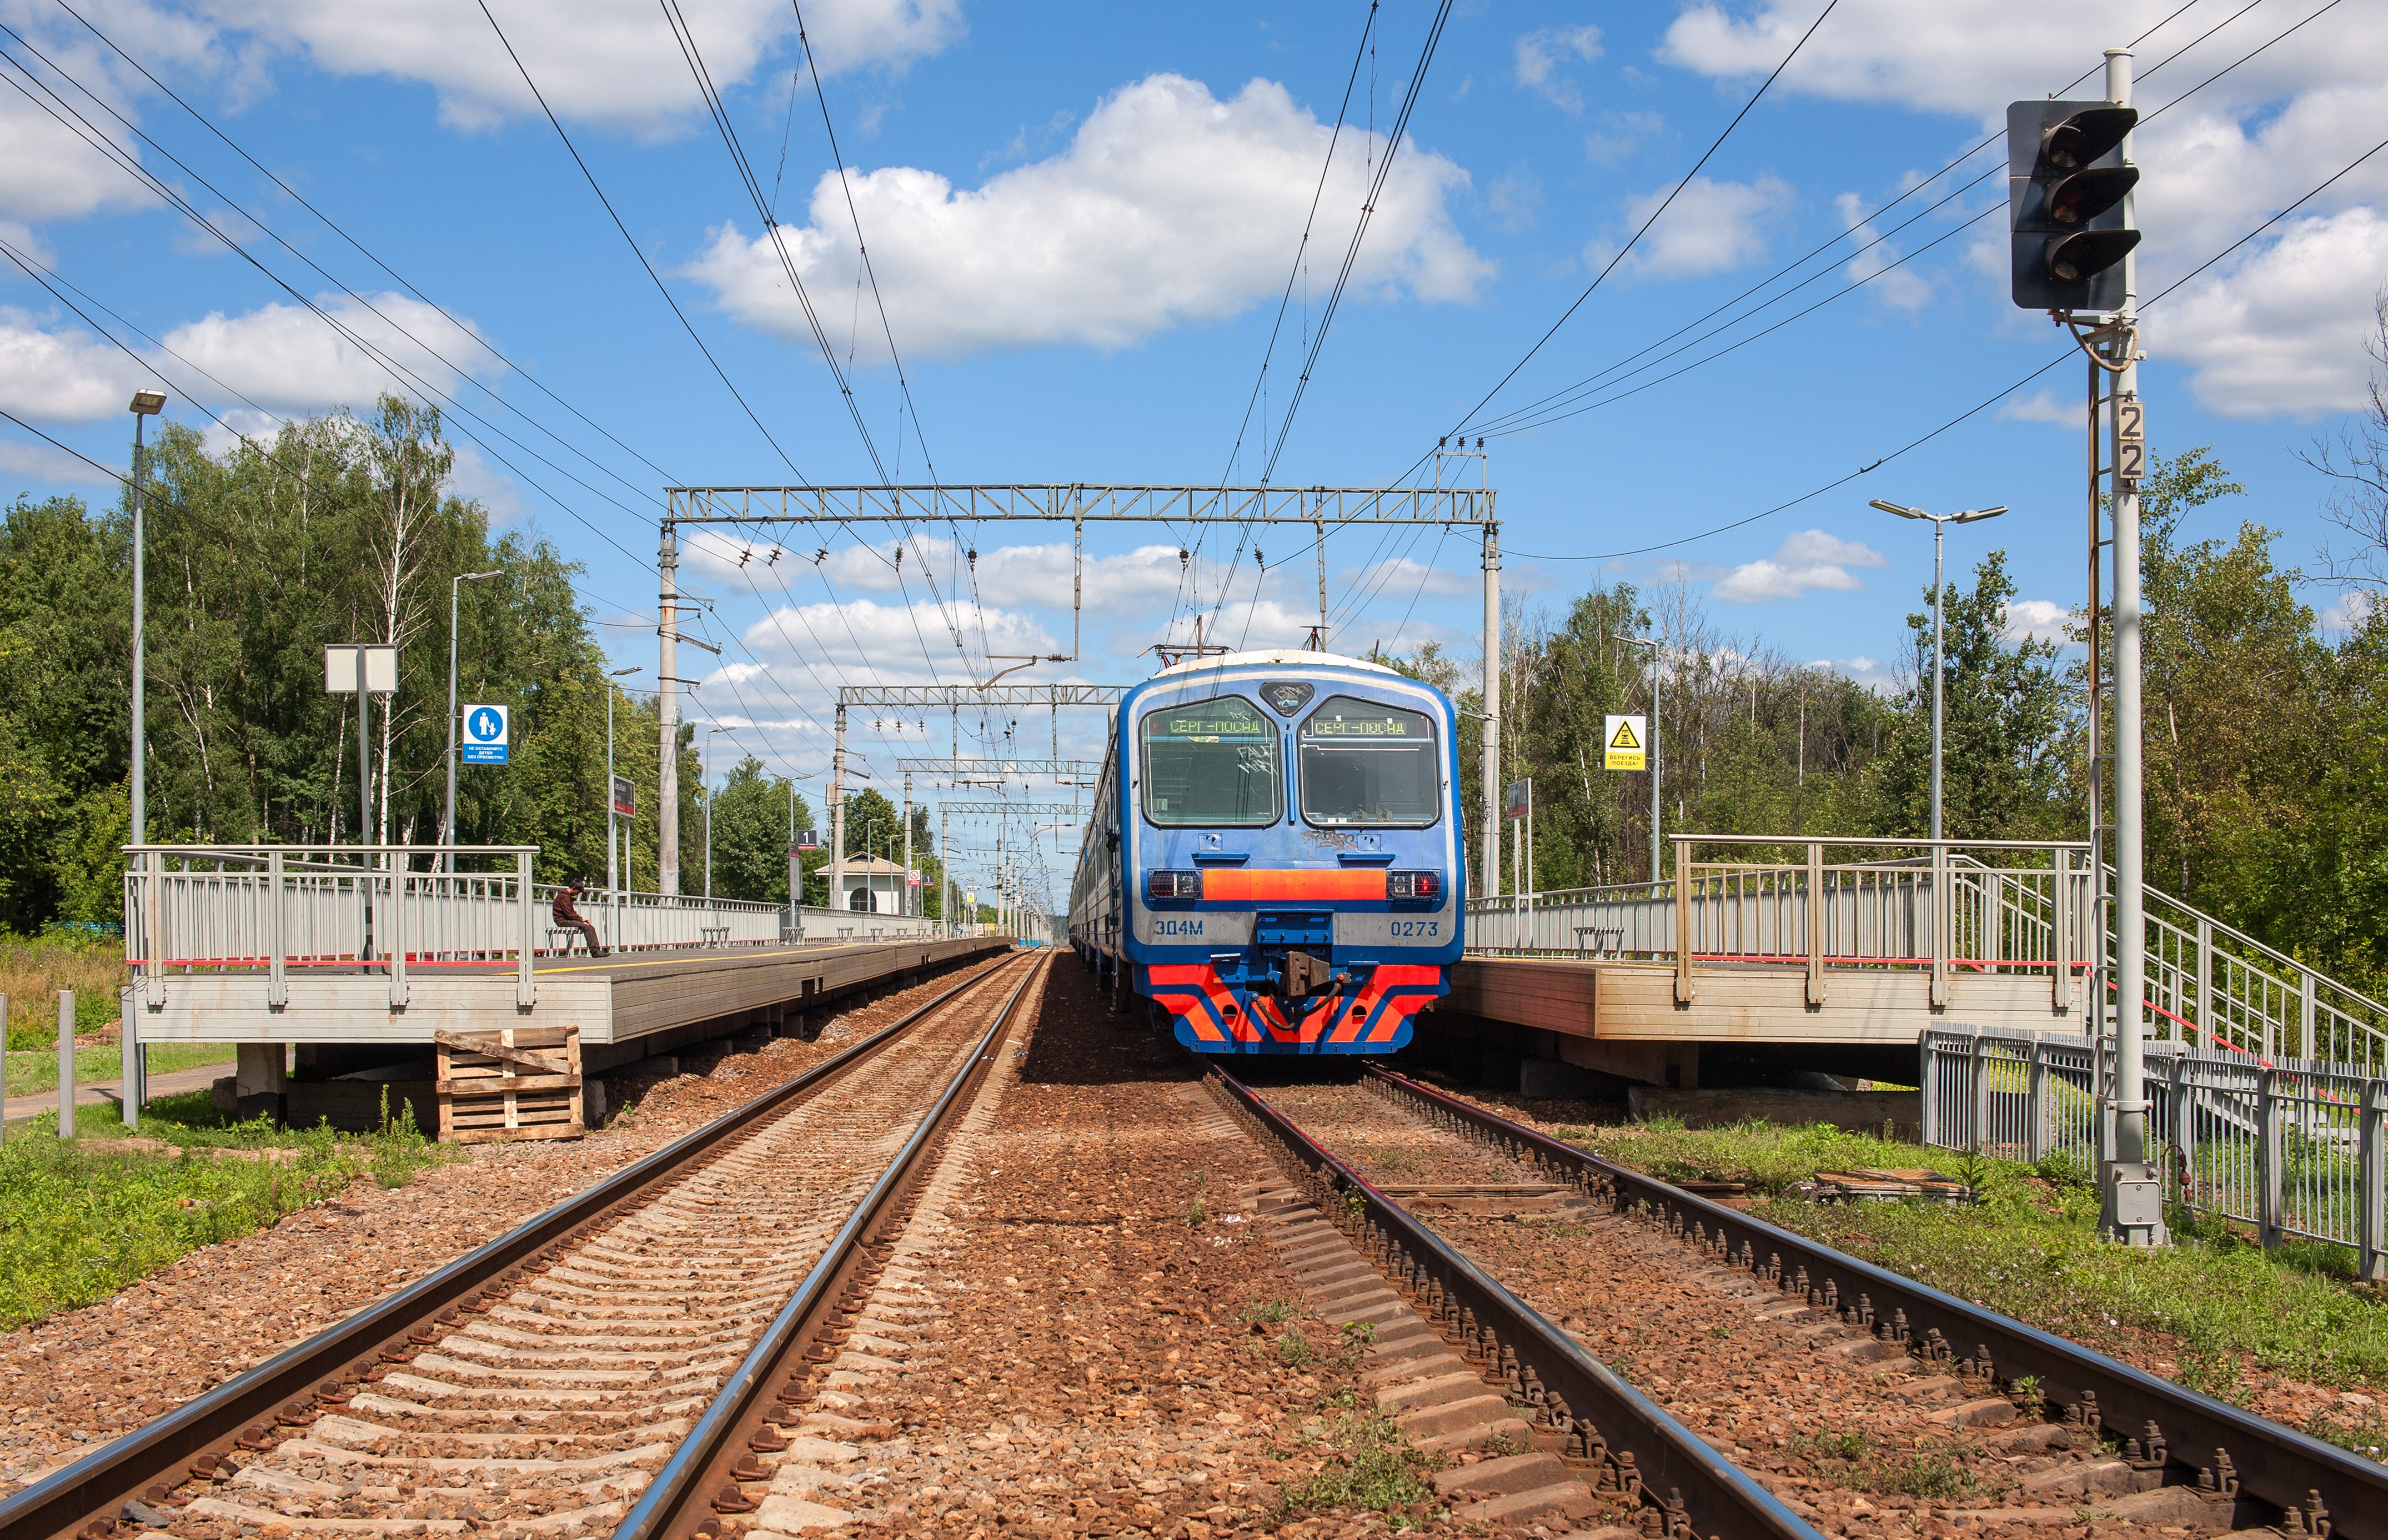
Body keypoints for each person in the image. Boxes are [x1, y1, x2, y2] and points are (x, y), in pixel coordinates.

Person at [551, 880, 608, 957]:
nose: (577, 894)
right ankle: (595, 952)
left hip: (567, 919)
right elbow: (569, 914)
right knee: (587, 928)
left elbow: (570, 913)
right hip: (563, 921)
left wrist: (582, 920)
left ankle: (596, 951)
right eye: (577, 892)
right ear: (573, 888)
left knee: (590, 927)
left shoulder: (566, 896)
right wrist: (581, 920)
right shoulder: (564, 897)